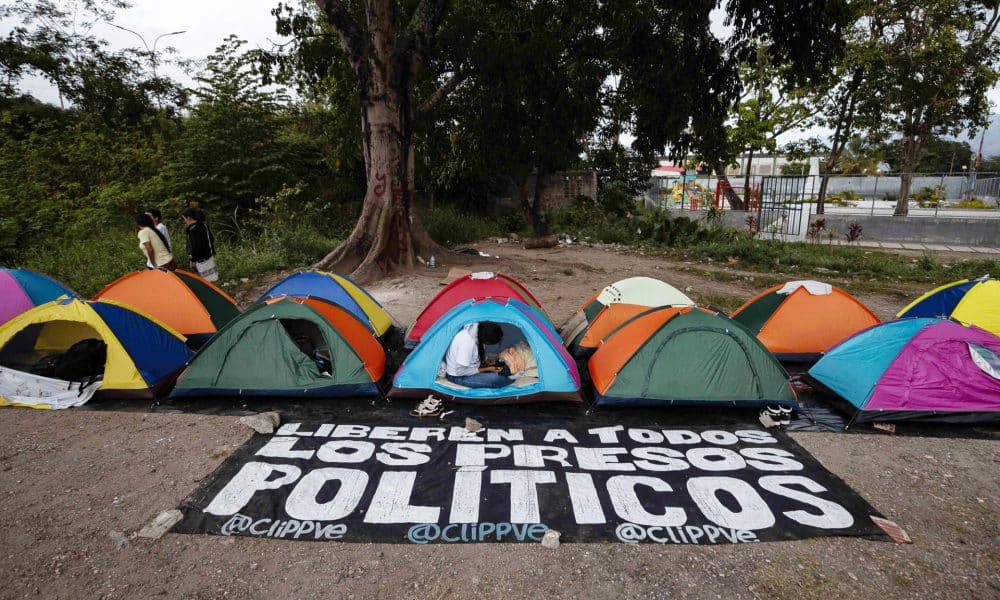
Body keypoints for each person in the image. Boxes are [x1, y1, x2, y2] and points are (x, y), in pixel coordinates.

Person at [442, 322, 511, 388]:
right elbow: (460, 371)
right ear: (486, 340)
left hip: (471, 369)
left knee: (504, 367)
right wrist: (486, 369)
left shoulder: (479, 331)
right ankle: (507, 377)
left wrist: (485, 362)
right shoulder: (467, 343)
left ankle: (505, 373)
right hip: (457, 376)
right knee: (496, 379)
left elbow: (474, 356)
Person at [181, 207, 218, 282]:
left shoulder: (192, 229)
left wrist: (193, 260)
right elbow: (211, 238)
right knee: (212, 279)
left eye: (184, 218)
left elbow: (195, 247)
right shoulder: (203, 225)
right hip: (209, 256)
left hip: (200, 260)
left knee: (204, 281)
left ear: (188, 217)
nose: (184, 221)